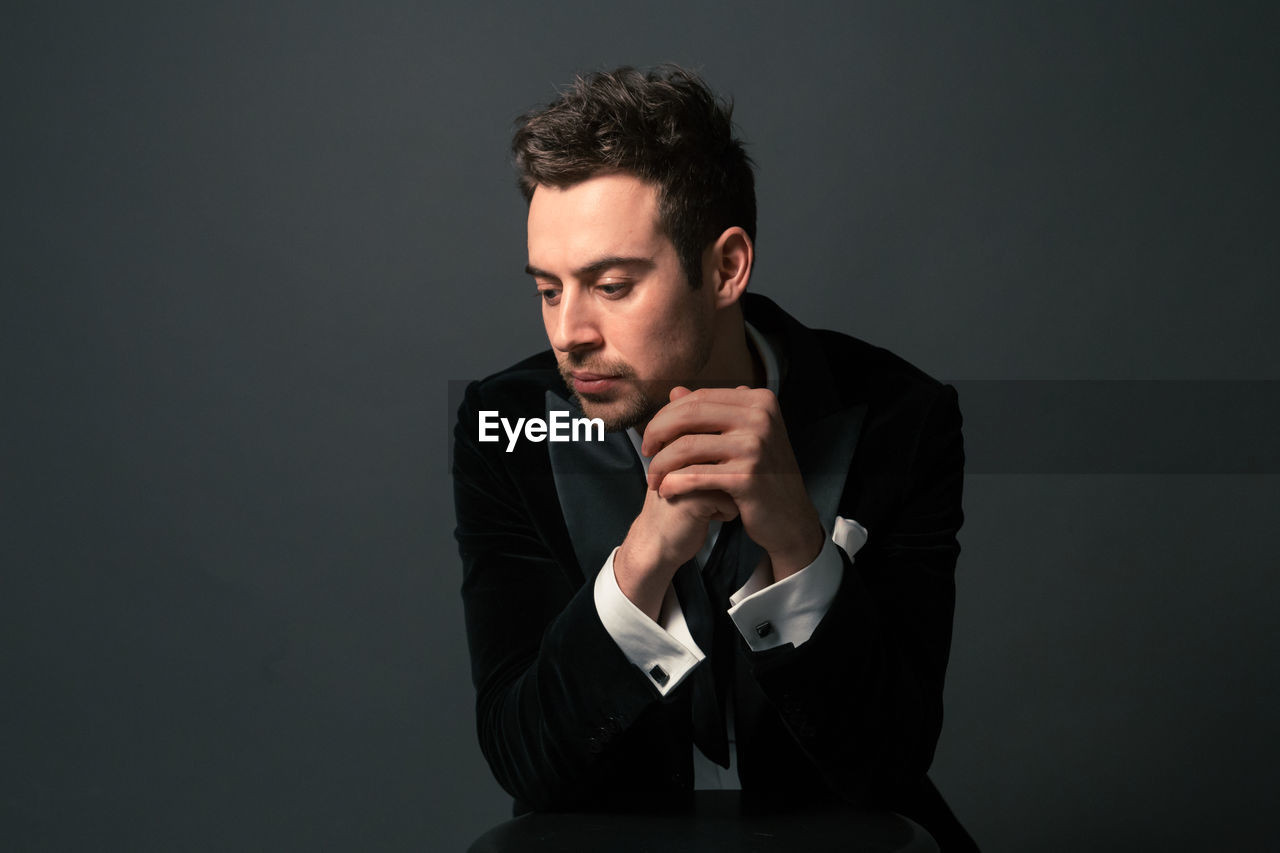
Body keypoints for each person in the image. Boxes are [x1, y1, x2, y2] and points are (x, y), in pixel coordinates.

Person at [453, 65, 978, 851]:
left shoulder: (902, 418)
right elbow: (526, 759)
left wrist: (799, 545)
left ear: (726, 267)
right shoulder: (507, 426)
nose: (569, 332)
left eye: (612, 284)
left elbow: (888, 761)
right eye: (549, 289)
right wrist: (642, 561)